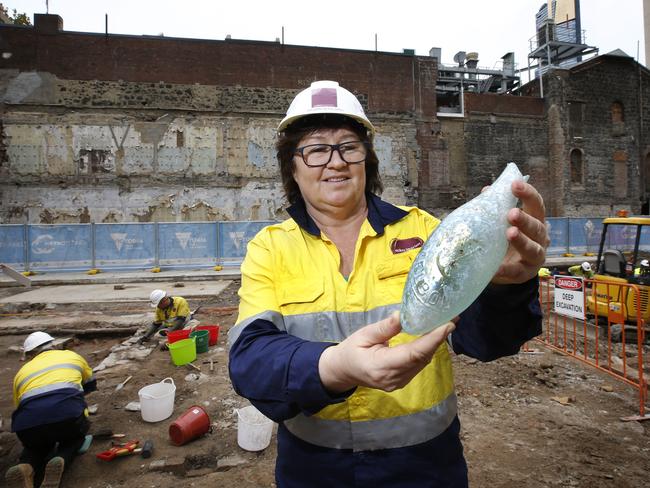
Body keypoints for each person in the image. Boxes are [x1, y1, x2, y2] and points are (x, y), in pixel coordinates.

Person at [228, 80, 548, 487]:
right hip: (313, 472)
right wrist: (336, 367)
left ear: (367, 159)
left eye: (349, 146)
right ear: (291, 165)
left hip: (426, 469)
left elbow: (484, 341)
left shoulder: (424, 230)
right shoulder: (270, 248)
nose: (336, 161)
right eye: (315, 149)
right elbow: (250, 361)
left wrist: (505, 288)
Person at [5, 331, 96, 488]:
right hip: (67, 416)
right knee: (74, 438)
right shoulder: (70, 356)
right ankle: (61, 457)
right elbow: (90, 384)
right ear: (52, 345)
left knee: (36, 446)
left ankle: (26, 466)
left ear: (30, 353)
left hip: (26, 424)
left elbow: (20, 406)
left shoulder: (21, 373)